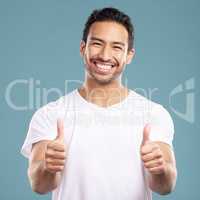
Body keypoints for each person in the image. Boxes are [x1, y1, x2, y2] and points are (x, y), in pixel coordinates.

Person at [21, 7, 177, 200]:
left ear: (129, 55)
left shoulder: (153, 114)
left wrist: (160, 169)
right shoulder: (50, 114)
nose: (104, 55)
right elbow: (39, 185)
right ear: (82, 48)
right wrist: (48, 167)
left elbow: (166, 186)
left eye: (117, 47)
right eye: (97, 43)